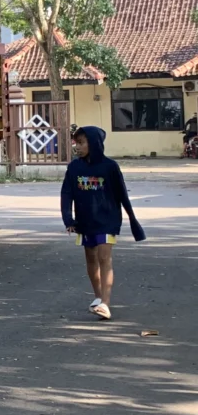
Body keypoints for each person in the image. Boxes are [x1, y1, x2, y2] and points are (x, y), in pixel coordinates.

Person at [61, 126, 145, 320]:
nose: (78, 147)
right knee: (91, 258)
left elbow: (122, 194)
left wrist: (133, 220)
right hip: (85, 221)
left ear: (94, 143)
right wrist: (68, 218)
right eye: (76, 143)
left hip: (108, 220)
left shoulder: (110, 167)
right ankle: (98, 297)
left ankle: (106, 303)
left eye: (82, 143)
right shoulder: (74, 167)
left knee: (104, 258)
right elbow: (67, 193)